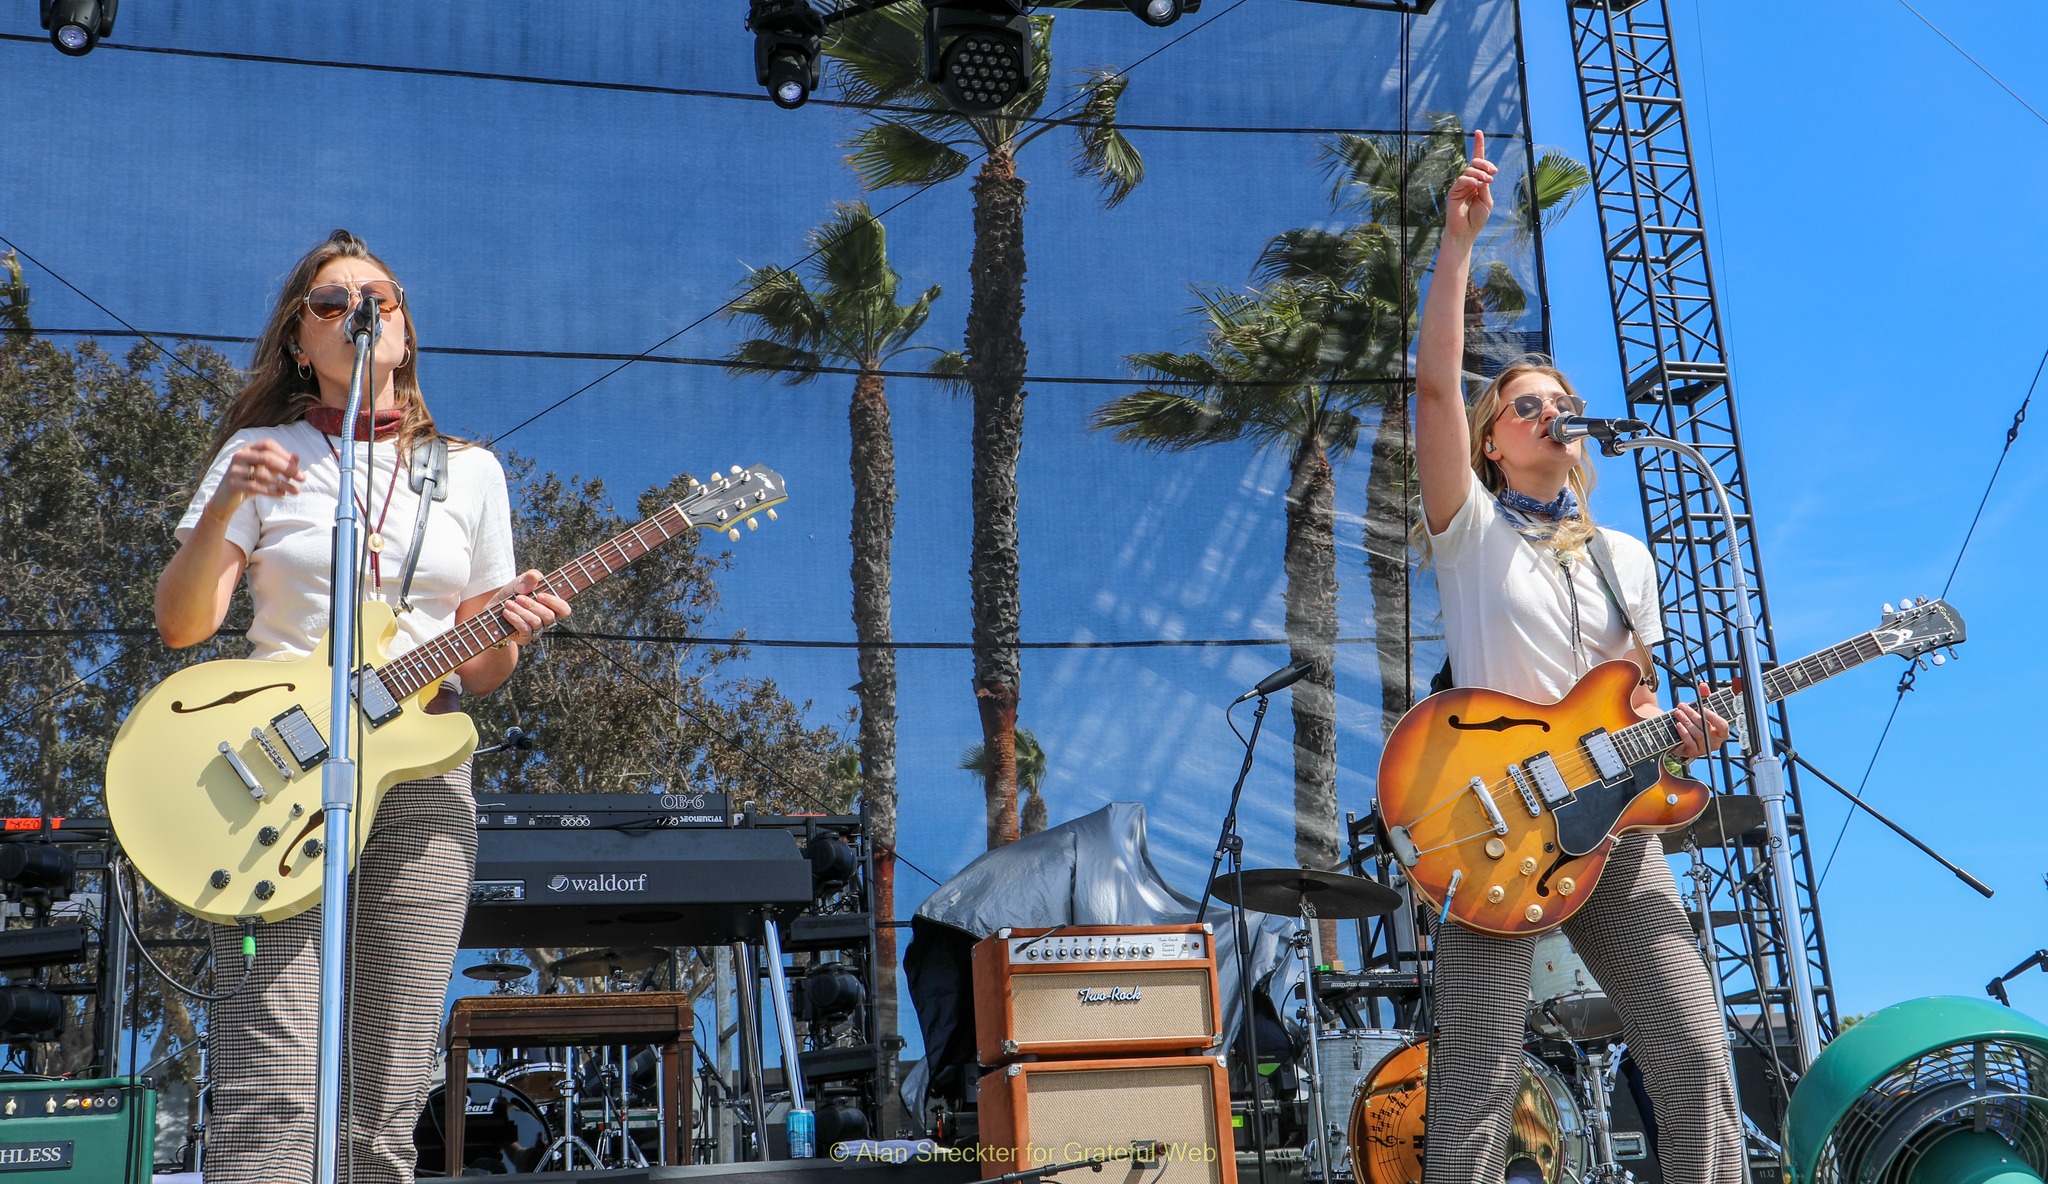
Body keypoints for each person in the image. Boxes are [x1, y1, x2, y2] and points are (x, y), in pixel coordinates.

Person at [155, 229, 570, 1182]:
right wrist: (224, 509)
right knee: (272, 1080)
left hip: (421, 786)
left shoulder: (469, 472)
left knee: (386, 1095)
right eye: (333, 303)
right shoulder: (261, 453)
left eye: (377, 297)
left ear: (407, 333)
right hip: (278, 774)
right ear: (301, 341)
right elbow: (184, 626)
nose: (359, 313)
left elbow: (477, 675)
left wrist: (510, 626)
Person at [1409, 132, 1744, 1183]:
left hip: (1614, 828)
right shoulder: (1467, 527)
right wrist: (1457, 243)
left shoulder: (1624, 559)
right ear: (1491, 440)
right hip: (1494, 820)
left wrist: (1685, 737)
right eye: (1524, 404)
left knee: (1694, 1052)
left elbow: (1632, 697)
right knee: (1476, 1074)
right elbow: (1427, 397)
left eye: (1559, 402)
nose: (1549, 412)